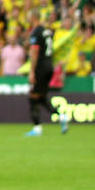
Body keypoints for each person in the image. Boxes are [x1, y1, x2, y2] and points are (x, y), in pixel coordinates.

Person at [25, 8, 67, 136]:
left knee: (32, 97)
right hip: (49, 66)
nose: (27, 19)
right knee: (41, 97)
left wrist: (32, 71)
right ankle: (61, 116)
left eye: (28, 16)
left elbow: (35, 52)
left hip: (40, 68)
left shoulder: (36, 32)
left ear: (33, 17)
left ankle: (37, 128)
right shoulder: (47, 32)